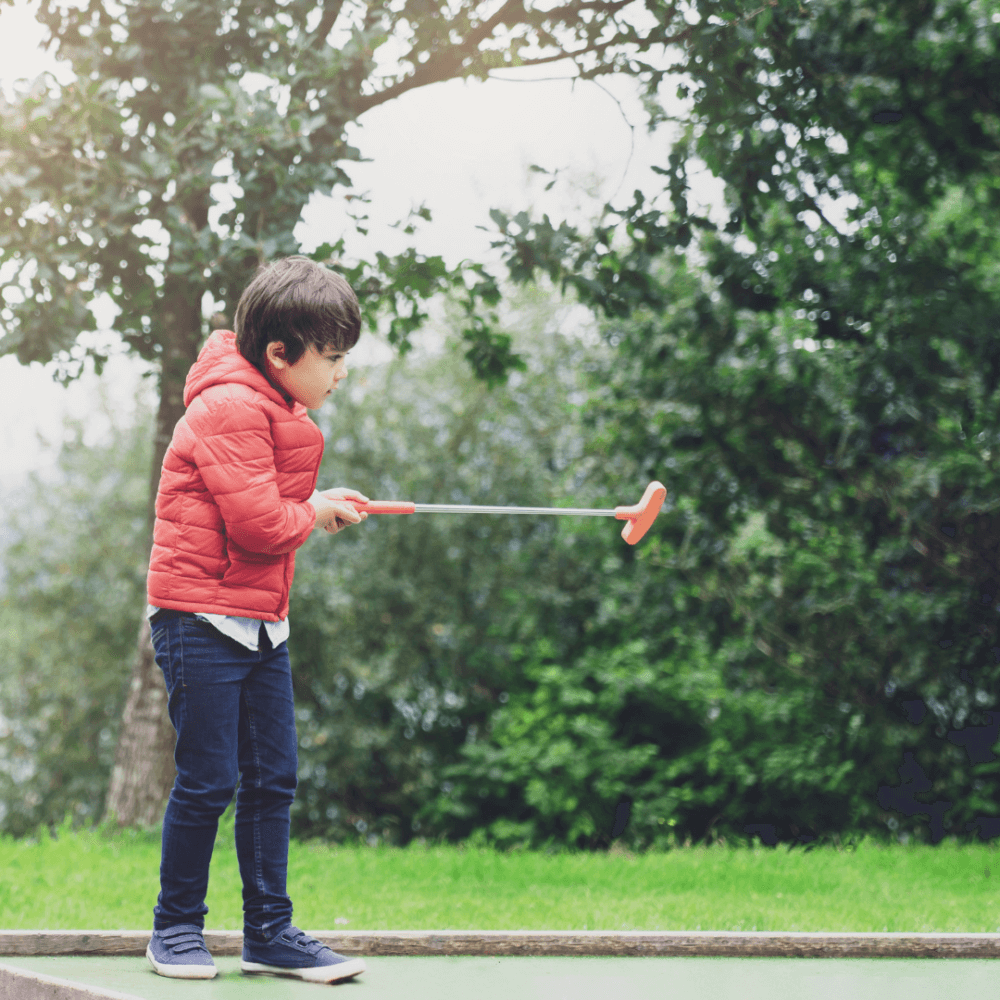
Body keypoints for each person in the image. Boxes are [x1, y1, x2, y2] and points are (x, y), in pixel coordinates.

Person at [143, 255, 369, 983]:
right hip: (199, 616)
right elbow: (259, 525)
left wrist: (316, 501)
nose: (339, 374)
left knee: (274, 777)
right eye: (331, 358)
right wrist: (311, 512)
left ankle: (269, 932)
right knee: (209, 779)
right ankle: (174, 929)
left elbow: (267, 503)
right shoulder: (229, 405)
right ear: (281, 353)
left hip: (259, 620)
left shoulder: (269, 403)